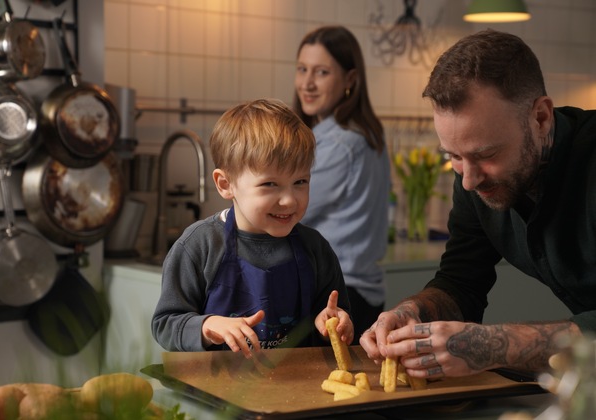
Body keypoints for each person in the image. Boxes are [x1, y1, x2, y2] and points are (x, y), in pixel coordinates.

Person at [360, 28, 596, 379]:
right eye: (453, 156)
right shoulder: (472, 177)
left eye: (486, 154)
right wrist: (415, 311)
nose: (468, 180)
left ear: (541, 118)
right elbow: (461, 281)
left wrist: (494, 344)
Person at [151, 98, 353, 358]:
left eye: (300, 181)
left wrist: (333, 321)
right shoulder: (198, 247)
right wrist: (208, 325)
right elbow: (165, 324)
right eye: (270, 184)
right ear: (226, 184)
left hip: (298, 392)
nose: (290, 199)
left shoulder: (315, 249)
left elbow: (336, 314)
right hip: (215, 394)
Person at [293, 25, 391, 344]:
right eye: (302, 69)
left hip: (337, 298)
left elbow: (288, 210)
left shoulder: (339, 145)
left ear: (350, 80)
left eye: (321, 72)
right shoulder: (363, 134)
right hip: (361, 294)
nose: (307, 83)